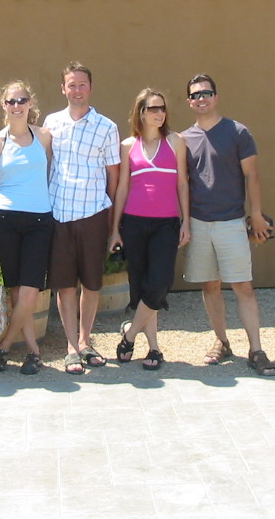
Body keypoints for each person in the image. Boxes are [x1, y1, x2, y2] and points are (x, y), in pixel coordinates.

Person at [181, 73, 275, 376]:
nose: (201, 99)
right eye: (195, 95)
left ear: (216, 97)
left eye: (206, 93)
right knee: (210, 285)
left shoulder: (237, 132)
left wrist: (256, 214)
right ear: (189, 101)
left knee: (243, 287)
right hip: (199, 223)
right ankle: (221, 341)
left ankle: (256, 350)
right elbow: (182, 184)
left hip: (232, 222)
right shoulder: (183, 139)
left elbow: (252, 175)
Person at [42, 61, 120, 372]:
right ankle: (71, 346)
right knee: (64, 285)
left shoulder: (107, 127)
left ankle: (86, 341)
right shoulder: (51, 124)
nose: (77, 90)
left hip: (93, 213)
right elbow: (47, 164)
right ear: (63, 88)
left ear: (91, 88)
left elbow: (113, 175)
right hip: (59, 214)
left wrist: (111, 221)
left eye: (82, 84)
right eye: (71, 85)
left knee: (91, 283)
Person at [108, 88, 190, 371]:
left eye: (162, 108)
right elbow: (122, 188)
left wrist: (186, 221)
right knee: (142, 286)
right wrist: (115, 229)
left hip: (167, 224)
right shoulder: (128, 145)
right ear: (141, 112)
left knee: (159, 283)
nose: (159, 113)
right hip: (134, 223)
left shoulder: (176, 141)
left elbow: (183, 184)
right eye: (153, 108)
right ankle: (154, 348)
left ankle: (129, 335)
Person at [0, 81, 55, 375]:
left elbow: (50, 175)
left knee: (30, 291)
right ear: (4, 105)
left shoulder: (44, 137)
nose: (16, 106)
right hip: (6, 220)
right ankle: (34, 352)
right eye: (11, 101)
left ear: (30, 103)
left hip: (40, 220)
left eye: (21, 100)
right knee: (16, 289)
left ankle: (5, 346)